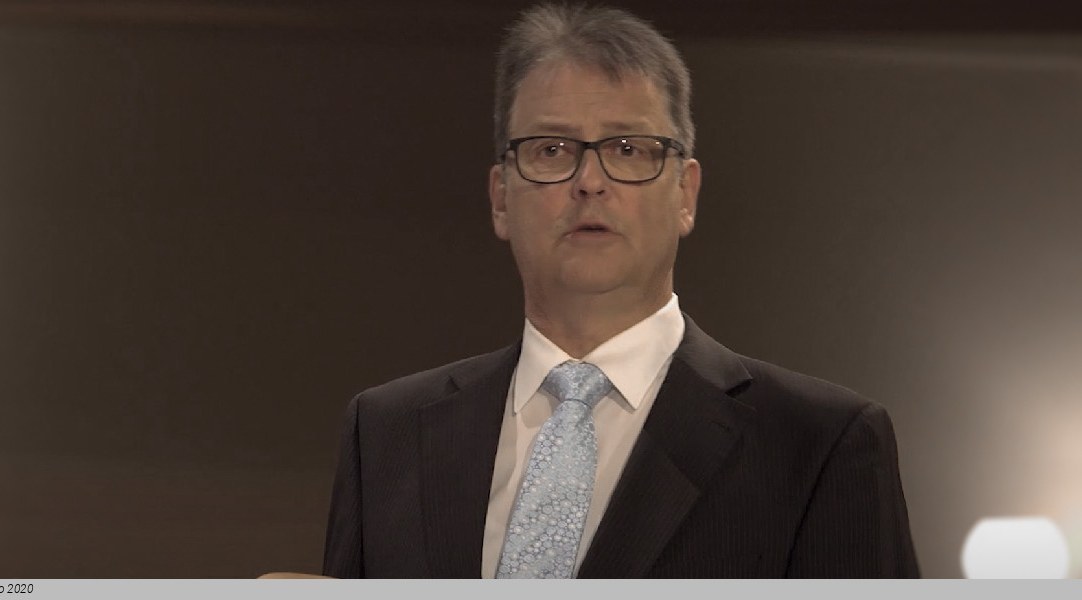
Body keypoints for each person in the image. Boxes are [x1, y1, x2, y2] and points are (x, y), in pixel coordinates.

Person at [322, 3, 919, 578]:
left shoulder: (820, 443)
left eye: (628, 149)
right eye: (551, 149)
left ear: (685, 193)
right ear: (501, 198)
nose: (590, 181)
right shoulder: (387, 433)